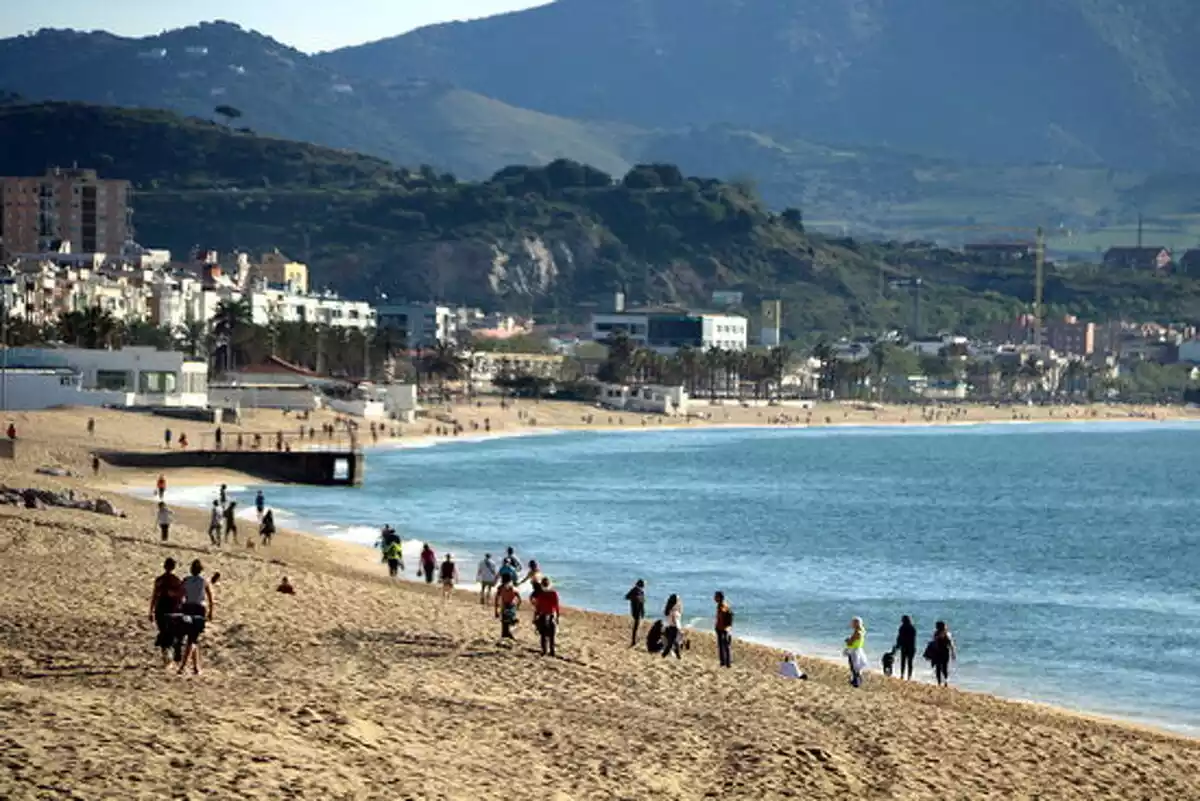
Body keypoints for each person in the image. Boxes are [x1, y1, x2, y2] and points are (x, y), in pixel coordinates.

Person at [178, 559, 214, 676]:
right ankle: (182, 667)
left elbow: (181, 595)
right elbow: (210, 599)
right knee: (192, 639)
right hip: (198, 609)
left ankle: (196, 667)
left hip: (187, 608)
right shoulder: (204, 581)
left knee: (192, 638)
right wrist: (211, 612)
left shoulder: (185, 580)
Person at [149, 558, 184, 666]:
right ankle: (169, 654)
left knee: (163, 630)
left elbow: (154, 596)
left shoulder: (159, 580)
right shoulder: (177, 580)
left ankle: (165, 653)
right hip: (173, 609)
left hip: (160, 609)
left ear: (164, 567)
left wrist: (150, 610)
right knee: (171, 632)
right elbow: (180, 597)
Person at [533, 577, 560, 657]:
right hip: (551, 614)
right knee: (552, 634)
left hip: (543, 615)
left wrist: (535, 617)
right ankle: (552, 651)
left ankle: (544, 650)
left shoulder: (541, 594)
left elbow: (537, 607)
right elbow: (556, 606)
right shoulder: (553, 593)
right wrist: (558, 616)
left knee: (543, 635)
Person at [927, 620, 957, 686]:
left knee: (940, 668)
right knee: (942, 668)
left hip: (940, 653)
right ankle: (943, 682)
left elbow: (950, 644)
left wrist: (953, 653)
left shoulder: (944, 634)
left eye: (936, 626)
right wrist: (953, 652)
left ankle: (942, 682)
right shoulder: (945, 633)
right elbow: (951, 644)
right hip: (943, 653)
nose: (935, 627)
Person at [494, 573, 521, 640]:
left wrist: (496, 611)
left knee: (505, 623)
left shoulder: (500, 587)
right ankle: (509, 635)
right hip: (511, 606)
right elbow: (519, 599)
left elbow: (496, 599)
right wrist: (518, 606)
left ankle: (506, 635)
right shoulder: (513, 588)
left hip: (504, 606)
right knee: (511, 622)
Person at [845, 617, 867, 688]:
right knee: (857, 666)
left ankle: (856, 682)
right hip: (859, 649)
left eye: (853, 623)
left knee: (853, 666)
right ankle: (858, 680)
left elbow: (850, 643)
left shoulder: (856, 632)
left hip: (854, 650)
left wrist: (847, 640)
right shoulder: (862, 630)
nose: (852, 624)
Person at [714, 591, 734, 668]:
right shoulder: (721, 605)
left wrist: (727, 627)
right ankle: (724, 662)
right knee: (722, 646)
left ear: (719, 597)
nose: (714, 598)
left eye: (716, 596)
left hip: (723, 629)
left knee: (725, 646)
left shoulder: (722, 606)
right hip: (721, 628)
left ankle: (727, 663)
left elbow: (728, 615)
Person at [625, 579, 646, 648]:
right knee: (636, 625)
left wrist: (643, 611)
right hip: (635, 610)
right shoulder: (634, 590)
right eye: (644, 584)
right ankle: (634, 641)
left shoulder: (641, 592)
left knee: (638, 625)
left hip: (640, 610)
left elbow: (643, 602)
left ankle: (635, 640)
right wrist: (635, 598)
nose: (644, 586)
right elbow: (626, 597)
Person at [895, 615, 918, 681]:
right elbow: (913, 638)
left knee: (903, 661)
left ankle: (902, 675)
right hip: (911, 647)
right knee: (910, 662)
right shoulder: (912, 628)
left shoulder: (902, 628)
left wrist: (897, 645)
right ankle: (909, 677)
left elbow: (899, 638)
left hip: (904, 646)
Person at [661, 594, 683, 659]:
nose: (680, 600)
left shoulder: (669, 608)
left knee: (674, 643)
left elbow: (669, 619)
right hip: (674, 628)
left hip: (669, 627)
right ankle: (663, 656)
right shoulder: (675, 610)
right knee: (671, 644)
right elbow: (676, 621)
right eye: (678, 599)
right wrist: (680, 630)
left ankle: (678, 656)